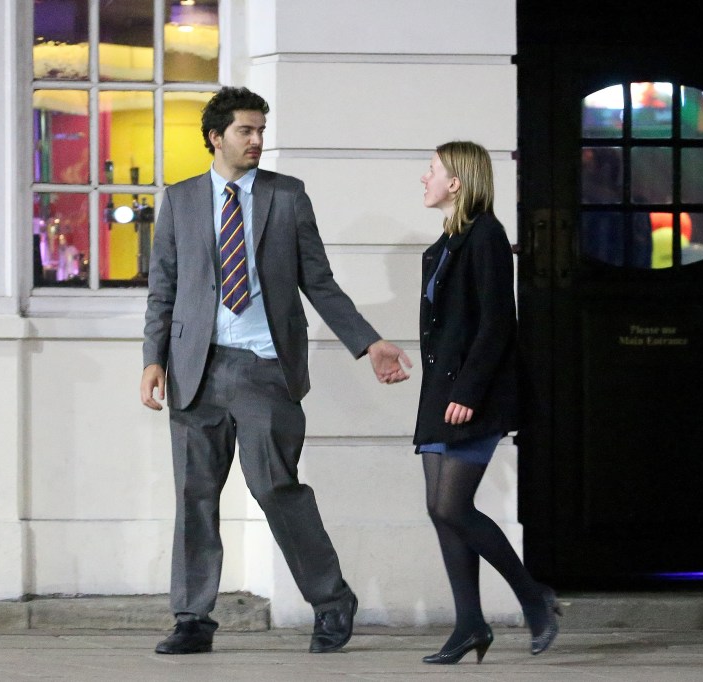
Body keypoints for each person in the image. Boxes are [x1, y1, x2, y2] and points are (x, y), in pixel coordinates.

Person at [140, 86, 412, 656]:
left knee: (275, 487)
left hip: (264, 368)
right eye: (246, 130)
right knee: (194, 496)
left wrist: (368, 343)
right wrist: (153, 359)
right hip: (196, 369)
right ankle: (192, 617)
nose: (257, 140)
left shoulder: (286, 197)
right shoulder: (182, 199)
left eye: (261, 130)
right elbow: (162, 289)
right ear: (216, 136)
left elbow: (319, 281)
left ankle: (332, 600)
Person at [415, 141, 561, 663]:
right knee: (440, 510)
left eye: (431, 170)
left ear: (456, 183)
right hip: (441, 394)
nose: (423, 178)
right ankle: (470, 625)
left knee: (453, 505)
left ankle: (533, 597)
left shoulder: (487, 237)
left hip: (472, 395)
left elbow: (498, 323)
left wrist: (469, 393)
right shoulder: (443, 246)